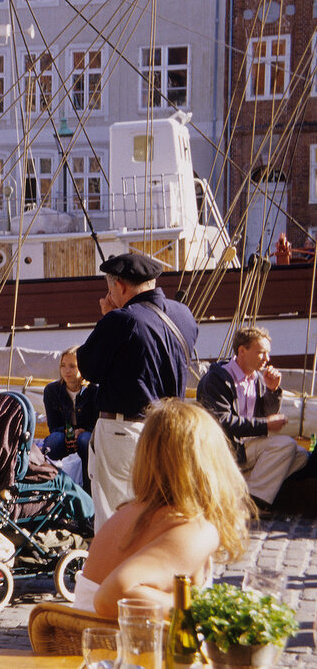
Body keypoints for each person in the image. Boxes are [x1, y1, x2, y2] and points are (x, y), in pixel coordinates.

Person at [74, 400, 252, 618]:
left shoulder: (124, 515)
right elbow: (112, 596)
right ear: (212, 463)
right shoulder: (194, 528)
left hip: (87, 645)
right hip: (122, 649)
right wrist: (203, 610)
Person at [78, 252, 197, 531]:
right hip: (167, 429)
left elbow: (89, 368)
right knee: (158, 509)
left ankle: (115, 571)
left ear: (120, 286)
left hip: (124, 432)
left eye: (110, 290)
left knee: (115, 514)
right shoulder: (184, 315)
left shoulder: (121, 320)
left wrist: (108, 318)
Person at [196, 327, 308, 510]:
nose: (267, 359)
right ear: (242, 351)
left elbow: (264, 415)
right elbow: (221, 421)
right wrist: (266, 425)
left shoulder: (256, 378)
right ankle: (249, 504)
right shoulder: (217, 379)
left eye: (268, 353)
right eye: (261, 353)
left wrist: (272, 391)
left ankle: (239, 489)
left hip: (248, 446)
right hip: (227, 448)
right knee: (286, 445)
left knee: (301, 456)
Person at [41, 347, 98, 487]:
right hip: (62, 433)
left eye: (72, 366)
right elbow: (53, 427)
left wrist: (83, 431)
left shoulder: (94, 391)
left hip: (86, 435)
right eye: (63, 366)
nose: (66, 371)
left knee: (85, 441)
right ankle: (50, 485)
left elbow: (97, 423)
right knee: (52, 443)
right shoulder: (51, 391)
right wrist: (68, 433)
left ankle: (88, 489)